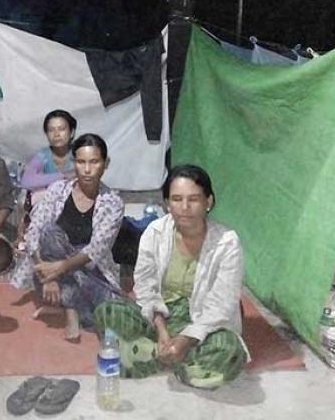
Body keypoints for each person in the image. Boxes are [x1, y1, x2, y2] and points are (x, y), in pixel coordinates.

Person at [94, 164, 248, 389]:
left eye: (194, 199)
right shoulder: (155, 233)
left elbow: (221, 305)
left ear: (209, 202)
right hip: (162, 316)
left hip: (203, 322)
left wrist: (185, 340)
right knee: (107, 311)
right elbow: (146, 287)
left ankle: (155, 356)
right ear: (166, 204)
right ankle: (177, 359)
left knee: (228, 350)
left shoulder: (227, 242)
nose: (184, 207)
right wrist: (162, 331)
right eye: (176, 199)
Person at [11, 134, 123, 342]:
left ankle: (69, 307)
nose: (87, 170)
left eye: (94, 162)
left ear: (105, 164)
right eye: (81, 162)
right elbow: (34, 231)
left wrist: (60, 269)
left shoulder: (113, 203)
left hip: (88, 269)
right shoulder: (58, 190)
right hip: (48, 267)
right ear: (74, 163)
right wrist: (49, 275)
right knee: (49, 232)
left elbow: (97, 249)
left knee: (113, 312)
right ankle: (71, 308)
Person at [20, 109, 77, 191]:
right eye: (51, 130)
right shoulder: (43, 155)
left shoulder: (79, 152)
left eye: (61, 129)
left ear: (71, 132)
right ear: (46, 134)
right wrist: (63, 175)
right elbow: (26, 181)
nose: (56, 134)